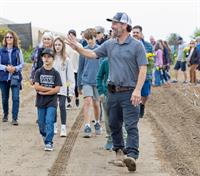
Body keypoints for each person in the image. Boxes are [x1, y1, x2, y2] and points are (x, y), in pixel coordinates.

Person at [66, 12, 147, 172]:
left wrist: (138, 90)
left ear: (125, 26)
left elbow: (143, 68)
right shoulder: (110, 44)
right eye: (112, 23)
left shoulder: (137, 46)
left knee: (131, 125)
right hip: (112, 92)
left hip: (130, 92)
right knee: (114, 124)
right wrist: (78, 48)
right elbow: (92, 54)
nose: (112, 26)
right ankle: (118, 152)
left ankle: (131, 155)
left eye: (115, 23)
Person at [34, 48, 62, 151]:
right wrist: (50, 89)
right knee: (41, 123)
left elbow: (57, 89)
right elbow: (36, 87)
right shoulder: (38, 72)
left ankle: (49, 142)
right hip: (41, 101)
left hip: (52, 102)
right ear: (42, 58)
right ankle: (45, 135)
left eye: (49, 57)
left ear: (53, 59)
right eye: (44, 57)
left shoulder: (56, 73)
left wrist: (46, 91)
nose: (46, 59)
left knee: (49, 121)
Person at [77, 28, 101, 138]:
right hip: (86, 80)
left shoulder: (100, 50)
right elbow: (80, 68)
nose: (89, 41)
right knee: (87, 101)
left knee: (96, 104)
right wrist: (79, 84)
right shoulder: (83, 51)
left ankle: (96, 122)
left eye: (91, 39)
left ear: (95, 37)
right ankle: (87, 125)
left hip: (97, 81)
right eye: (87, 39)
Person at [0, 30, 24, 125]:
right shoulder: (1, 50)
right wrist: (6, 68)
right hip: (3, 78)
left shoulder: (18, 51)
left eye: (11, 37)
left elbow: (22, 64)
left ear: (14, 39)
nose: (9, 39)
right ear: (5, 39)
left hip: (15, 77)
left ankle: (15, 118)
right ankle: (5, 115)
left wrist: (15, 68)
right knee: (5, 98)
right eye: (7, 37)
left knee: (15, 98)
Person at [53, 36, 75, 136]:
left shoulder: (66, 60)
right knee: (53, 107)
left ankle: (63, 127)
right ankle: (54, 126)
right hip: (51, 88)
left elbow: (70, 77)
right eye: (56, 44)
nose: (57, 47)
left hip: (62, 88)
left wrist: (70, 90)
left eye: (59, 45)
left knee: (62, 106)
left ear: (63, 46)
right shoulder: (50, 58)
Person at [132, 25, 154, 118]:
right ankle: (134, 109)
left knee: (145, 94)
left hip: (146, 72)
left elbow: (152, 59)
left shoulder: (148, 45)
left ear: (141, 34)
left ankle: (142, 105)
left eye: (137, 32)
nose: (135, 34)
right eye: (134, 32)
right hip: (132, 73)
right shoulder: (129, 44)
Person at [65, 29, 82, 109]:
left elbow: (82, 56)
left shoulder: (79, 45)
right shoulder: (65, 45)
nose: (71, 37)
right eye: (69, 35)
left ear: (75, 36)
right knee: (67, 85)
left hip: (76, 69)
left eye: (72, 35)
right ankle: (69, 101)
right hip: (67, 69)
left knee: (74, 86)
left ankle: (77, 97)